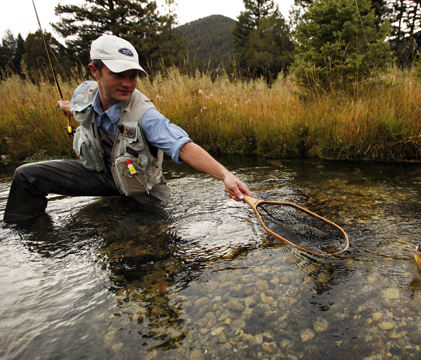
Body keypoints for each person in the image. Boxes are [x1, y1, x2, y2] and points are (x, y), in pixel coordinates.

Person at [3, 34, 251, 225]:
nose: (127, 83)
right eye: (118, 74)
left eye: (133, 76)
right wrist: (66, 107)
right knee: (27, 176)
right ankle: (26, 235)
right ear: (95, 71)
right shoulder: (83, 92)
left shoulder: (145, 115)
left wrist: (226, 176)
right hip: (101, 176)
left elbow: (183, 146)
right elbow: (79, 106)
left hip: (142, 191)